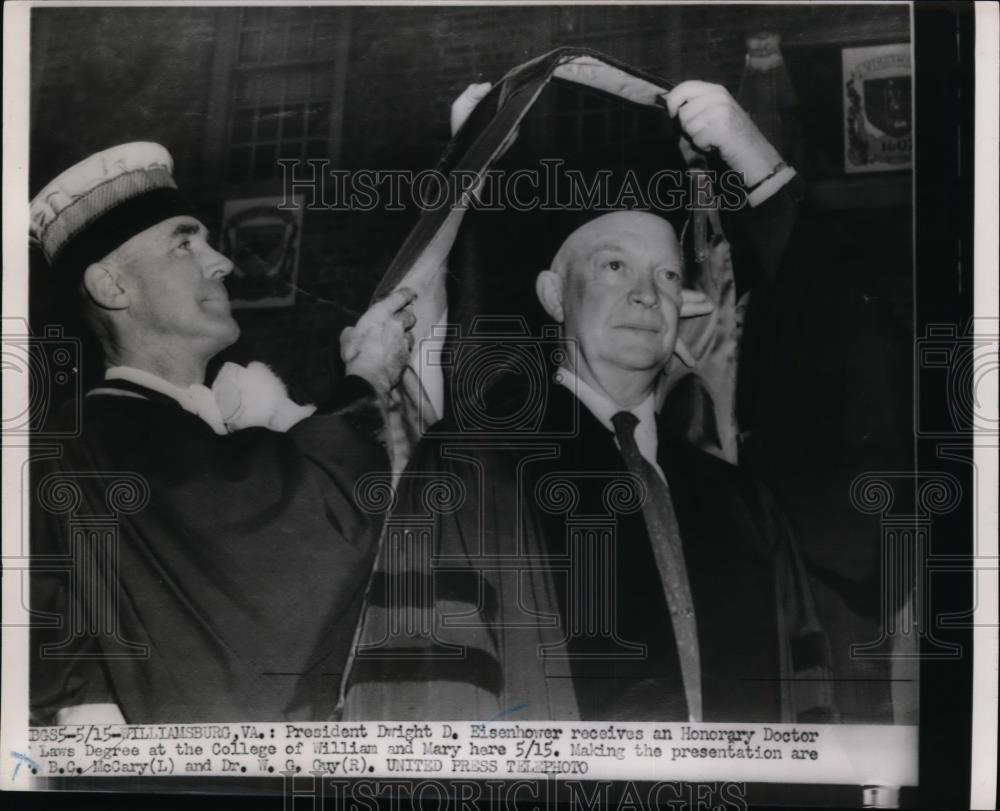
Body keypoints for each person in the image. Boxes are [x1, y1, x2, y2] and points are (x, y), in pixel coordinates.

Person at [340, 82, 833, 722]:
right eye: (613, 267)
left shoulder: (745, 506)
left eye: (666, 274)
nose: (645, 295)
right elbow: (427, 698)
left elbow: (809, 709)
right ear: (553, 295)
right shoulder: (470, 469)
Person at [28, 142, 417, 724]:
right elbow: (288, 551)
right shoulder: (111, 431)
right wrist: (366, 384)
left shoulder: (144, 430)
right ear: (112, 287)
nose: (223, 262)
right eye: (185, 243)